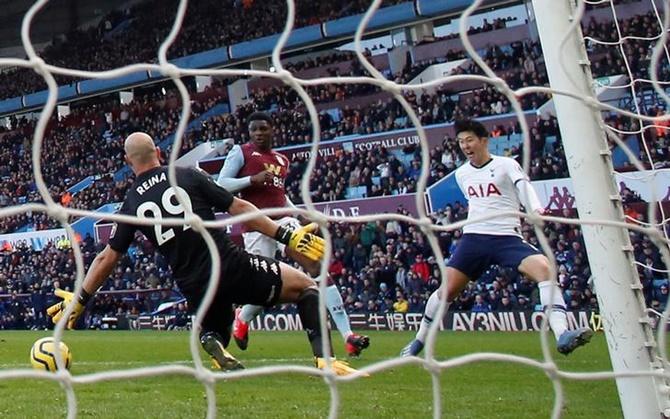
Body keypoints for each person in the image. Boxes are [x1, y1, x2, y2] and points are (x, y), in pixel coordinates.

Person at [47, 132, 360, 376]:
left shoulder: (130, 203)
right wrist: (286, 234)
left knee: (219, 328)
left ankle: (212, 337)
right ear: (158, 152)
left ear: (128, 162)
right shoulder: (187, 174)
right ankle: (325, 360)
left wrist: (82, 299)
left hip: (194, 285)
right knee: (306, 287)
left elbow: (108, 257)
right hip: (230, 264)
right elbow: (239, 209)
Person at [401, 119, 593, 357]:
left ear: (484, 140)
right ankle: (419, 340)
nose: (465, 146)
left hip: (506, 238)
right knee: (447, 291)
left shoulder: (506, 165)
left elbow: (523, 186)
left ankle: (562, 334)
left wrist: (534, 209)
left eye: (469, 140)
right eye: (461, 142)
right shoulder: (462, 174)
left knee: (545, 269)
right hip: (474, 239)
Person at [217, 112, 370, 357]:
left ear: (272, 129)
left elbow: (280, 195)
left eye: (263, 129)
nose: (258, 133)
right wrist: (250, 179)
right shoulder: (240, 152)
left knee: (315, 263)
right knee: (263, 289)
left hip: (284, 220)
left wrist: (300, 214)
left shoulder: (281, 160)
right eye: (254, 129)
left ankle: (348, 336)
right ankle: (243, 317)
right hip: (255, 224)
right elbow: (221, 184)